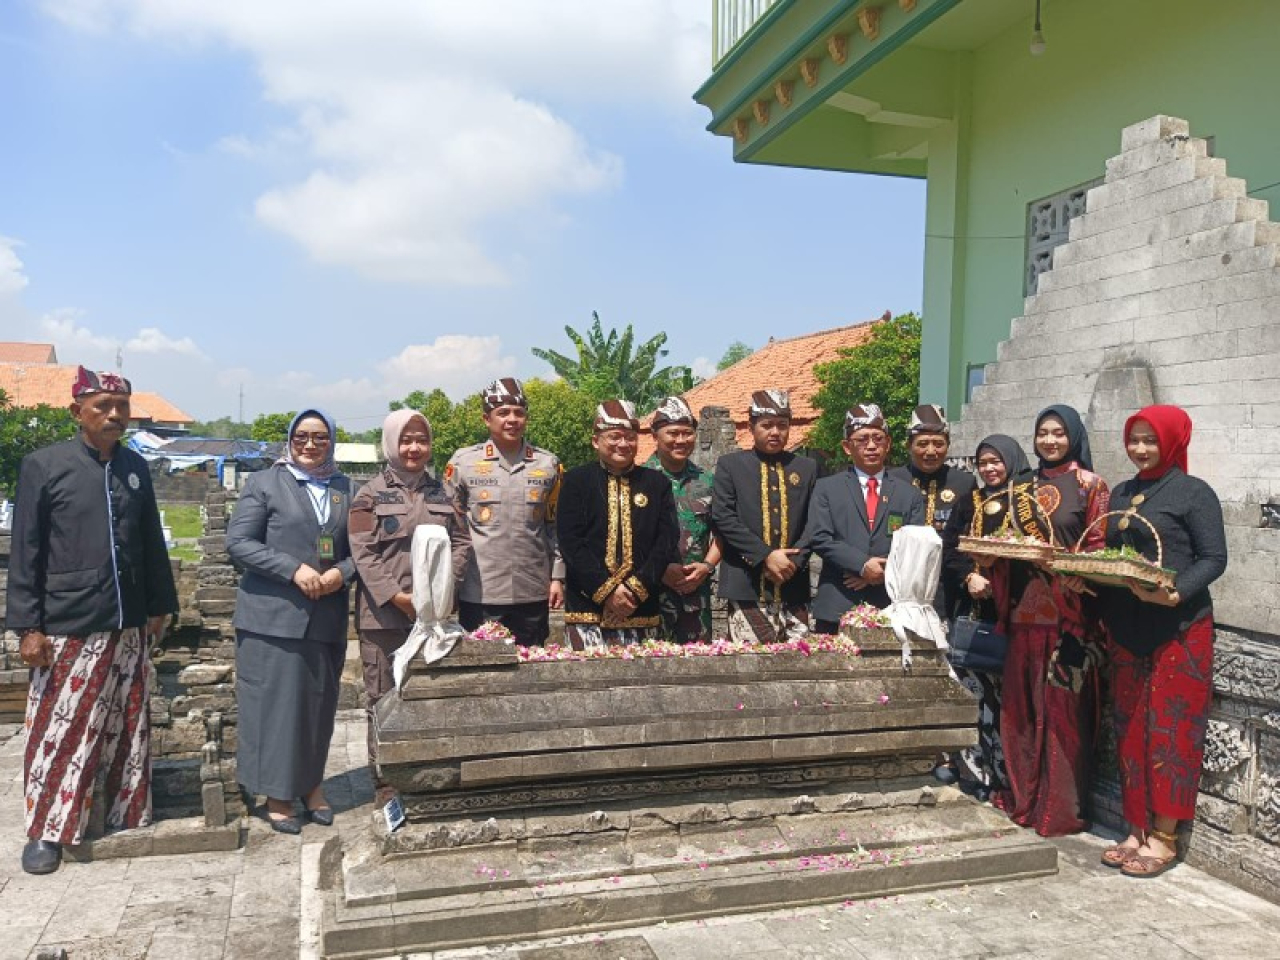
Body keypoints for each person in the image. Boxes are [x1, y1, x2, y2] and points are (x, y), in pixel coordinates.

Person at [7, 367, 177, 875]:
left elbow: (150, 541)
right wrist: (28, 627)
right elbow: (27, 549)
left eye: (121, 406)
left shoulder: (134, 467)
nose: (114, 415)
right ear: (77, 411)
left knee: (127, 725)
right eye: (103, 406)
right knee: (60, 732)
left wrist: (159, 605)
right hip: (67, 622)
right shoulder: (44, 465)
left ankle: (126, 811)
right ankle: (47, 830)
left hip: (127, 621)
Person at [1097, 406, 1227, 877]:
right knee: (1130, 726)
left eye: (1151, 440)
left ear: (1172, 441)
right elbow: (1114, 555)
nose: (1140, 448)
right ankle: (1134, 828)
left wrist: (1176, 591)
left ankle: (1164, 835)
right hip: (1128, 628)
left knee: (1171, 732)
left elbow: (1214, 557)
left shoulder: (1194, 492)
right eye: (1134, 439)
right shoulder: (1124, 491)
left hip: (1180, 629)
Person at [227, 409, 356, 834]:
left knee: (318, 706)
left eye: (320, 437)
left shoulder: (345, 488)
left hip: (325, 616)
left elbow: (364, 548)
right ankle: (276, 794)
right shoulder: (265, 483)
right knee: (274, 709)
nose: (310, 444)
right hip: (273, 617)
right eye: (302, 436)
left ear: (332, 441)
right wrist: (292, 569)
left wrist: (344, 572)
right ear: (290, 438)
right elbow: (239, 542)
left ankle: (311, 786)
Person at [348, 409, 470, 803]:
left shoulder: (446, 494)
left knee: (432, 694)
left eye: (421, 439)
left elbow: (463, 544)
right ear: (390, 444)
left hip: (435, 616)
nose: (414, 447)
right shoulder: (368, 495)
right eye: (405, 440)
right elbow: (363, 554)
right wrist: (397, 598)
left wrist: (444, 589)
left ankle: (428, 774)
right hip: (384, 615)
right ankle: (385, 781)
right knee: (383, 697)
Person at [999, 404, 1110, 836]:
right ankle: (1023, 799)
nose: (1049, 440)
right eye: (1042, 433)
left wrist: (1063, 565)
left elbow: (1098, 545)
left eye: (1058, 433)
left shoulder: (1090, 485)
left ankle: (1059, 811)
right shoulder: (1021, 486)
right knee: (1021, 713)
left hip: (1069, 618)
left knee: (1063, 718)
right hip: (1024, 614)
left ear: (1074, 436)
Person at [941, 434, 1039, 803]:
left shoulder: (1030, 501)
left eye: (996, 461)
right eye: (983, 463)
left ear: (1012, 460)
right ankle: (975, 774)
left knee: (1012, 704)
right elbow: (951, 549)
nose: (990, 469)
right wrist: (970, 576)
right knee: (975, 697)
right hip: (975, 613)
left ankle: (1011, 782)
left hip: (1018, 616)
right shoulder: (971, 501)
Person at [444, 378, 563, 645]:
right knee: (482, 672)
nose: (512, 419)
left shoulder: (548, 464)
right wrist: (450, 582)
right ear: (487, 419)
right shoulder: (463, 463)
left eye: (519, 413)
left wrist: (557, 577)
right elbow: (451, 527)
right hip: (480, 590)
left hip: (532, 589)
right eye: (503, 413)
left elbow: (554, 526)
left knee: (531, 670)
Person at [557, 400, 679, 649]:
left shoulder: (656, 484)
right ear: (595, 441)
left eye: (630, 437)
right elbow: (570, 542)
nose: (623, 444)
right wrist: (608, 591)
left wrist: (636, 588)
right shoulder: (575, 481)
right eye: (614, 437)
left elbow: (666, 540)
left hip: (641, 604)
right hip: (588, 606)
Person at [806, 404, 925, 634]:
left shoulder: (908, 494)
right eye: (862, 439)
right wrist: (861, 565)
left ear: (888, 444)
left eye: (878, 439)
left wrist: (881, 573)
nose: (871, 446)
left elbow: (915, 546)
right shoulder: (826, 488)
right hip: (838, 602)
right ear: (847, 447)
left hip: (890, 603)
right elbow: (820, 537)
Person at [711, 390, 818, 643]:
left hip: (794, 583)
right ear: (751, 427)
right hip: (745, 584)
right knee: (750, 667)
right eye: (766, 425)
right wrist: (765, 556)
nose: (775, 432)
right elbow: (723, 516)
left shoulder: (806, 467)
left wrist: (794, 561)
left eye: (782, 425)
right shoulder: (731, 465)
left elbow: (816, 520)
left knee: (799, 667)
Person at [888, 404, 977, 620]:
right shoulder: (892, 480)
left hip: (948, 585)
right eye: (922, 444)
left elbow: (972, 534)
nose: (930, 451)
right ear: (909, 445)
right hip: (900, 584)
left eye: (938, 444)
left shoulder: (964, 482)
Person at [644, 396, 722, 644]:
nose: (681, 440)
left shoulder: (707, 481)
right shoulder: (639, 480)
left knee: (700, 669)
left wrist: (707, 567)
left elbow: (722, 531)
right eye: (673, 433)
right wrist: (660, 570)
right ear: (655, 435)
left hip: (695, 596)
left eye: (687, 433)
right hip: (650, 593)